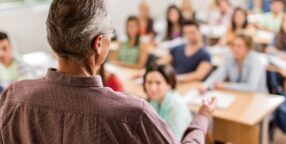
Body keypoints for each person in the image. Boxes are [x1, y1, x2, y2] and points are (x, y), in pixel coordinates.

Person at [0, 0, 215, 143]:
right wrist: (200, 119)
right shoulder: (135, 114)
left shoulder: (13, 97)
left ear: (52, 41)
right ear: (99, 43)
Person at [201, 34, 268, 93]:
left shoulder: (255, 61)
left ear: (247, 48)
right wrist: (205, 86)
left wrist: (225, 85)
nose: (235, 49)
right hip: (239, 95)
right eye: (234, 45)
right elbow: (217, 75)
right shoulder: (230, 58)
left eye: (239, 46)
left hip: (258, 96)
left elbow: (251, 88)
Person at [143, 64, 193, 141]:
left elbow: (175, 140)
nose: (153, 88)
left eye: (158, 83)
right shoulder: (154, 101)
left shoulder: (176, 106)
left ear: (169, 84)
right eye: (149, 82)